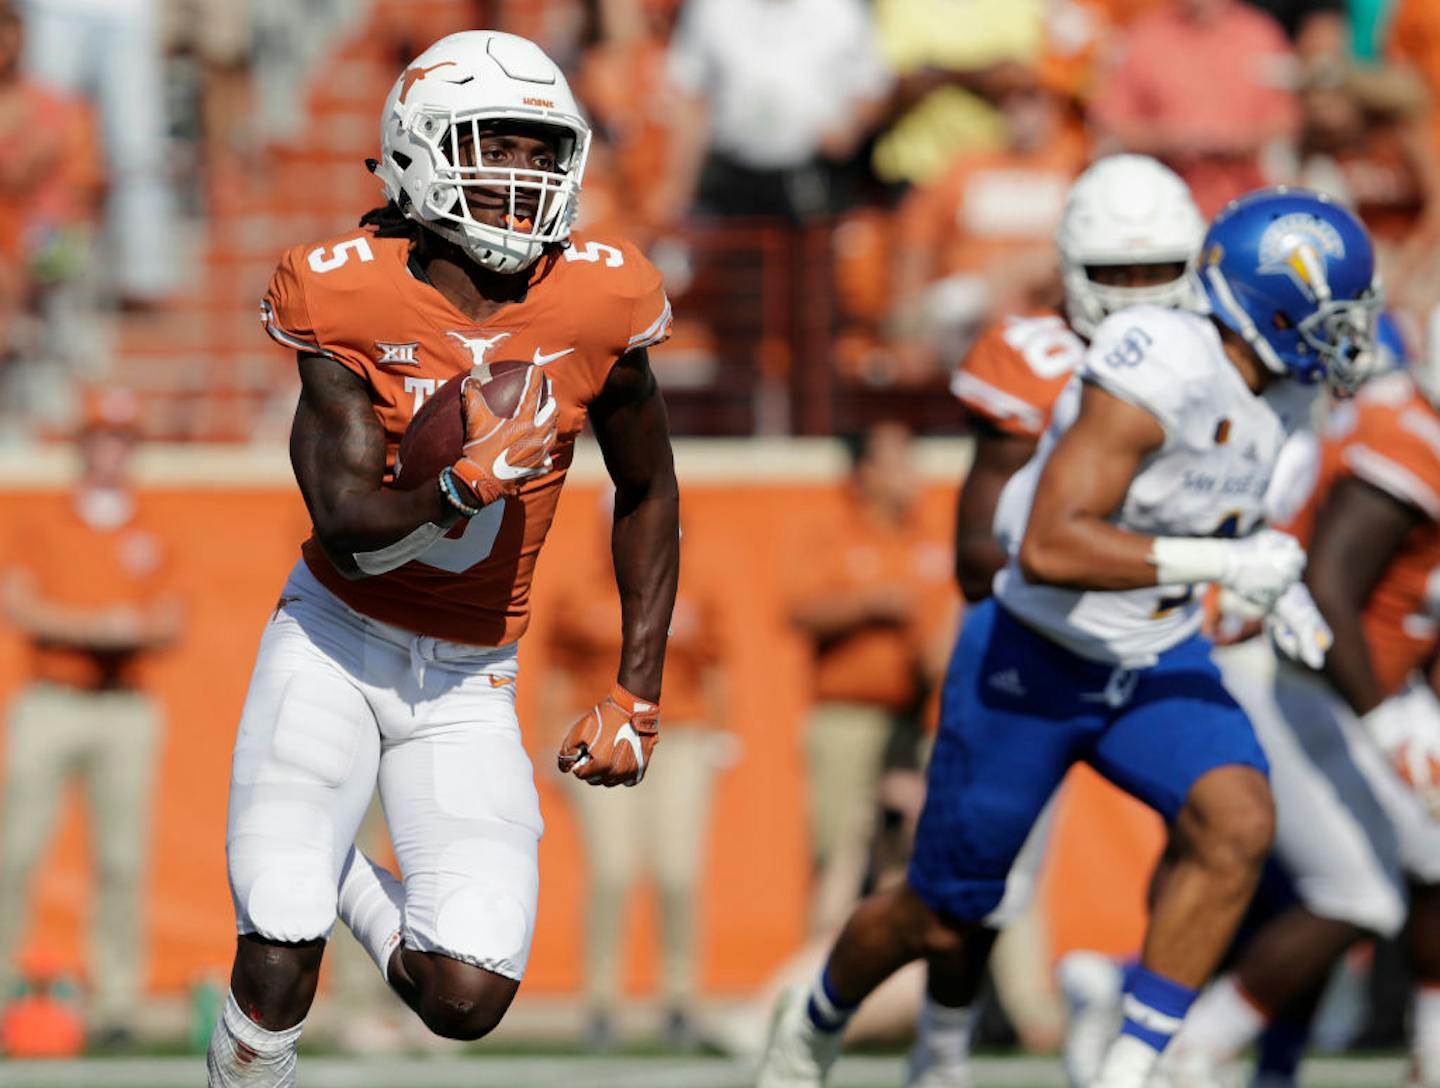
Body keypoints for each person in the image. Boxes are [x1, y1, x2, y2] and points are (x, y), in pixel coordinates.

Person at [755, 186, 1381, 1088]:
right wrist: (1218, 563)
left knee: (1237, 821)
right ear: (1268, 305)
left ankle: (1131, 1067)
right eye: (1331, 316)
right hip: (1035, 657)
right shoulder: (1161, 361)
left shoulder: (1284, 400)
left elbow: (1219, 517)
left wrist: (1263, 586)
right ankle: (814, 1017)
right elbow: (1049, 544)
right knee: (942, 914)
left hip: (1154, 653)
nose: (1346, 339)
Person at [206, 30, 680, 1087]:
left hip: (471, 672)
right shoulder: (346, 290)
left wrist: (636, 690)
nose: (520, 181)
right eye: (493, 147)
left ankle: (330, 861)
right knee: (278, 943)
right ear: (420, 151)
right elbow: (341, 519)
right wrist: (459, 485)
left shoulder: (600, 296)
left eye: (539, 152)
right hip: (335, 639)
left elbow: (650, 487)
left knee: (466, 996)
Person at [1160, 309, 1440, 1086]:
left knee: (1434, 856)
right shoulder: (1410, 447)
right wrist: (1389, 723)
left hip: (1342, 681)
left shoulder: (1406, 421)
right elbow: (1327, 589)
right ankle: (1189, 1053)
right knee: (1358, 895)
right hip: (1293, 677)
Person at [0, 387, 182, 1044]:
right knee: (16, 851)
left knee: (121, 859)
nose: (111, 452)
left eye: (123, 440)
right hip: (51, 700)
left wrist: (102, 629)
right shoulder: (46, 519)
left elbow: (169, 622)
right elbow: (20, 604)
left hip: (123, 706)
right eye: (101, 438)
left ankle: (116, 1004)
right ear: (82, 446)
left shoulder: (152, 525)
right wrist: (101, 627)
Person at [546, 498, 730, 1049]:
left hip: (683, 738)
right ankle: (601, 1005)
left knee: (677, 871)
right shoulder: (583, 593)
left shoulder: (694, 590)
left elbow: (716, 667)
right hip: (605, 739)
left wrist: (724, 735)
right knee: (613, 870)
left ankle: (680, 1001)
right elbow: (558, 671)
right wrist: (549, 743)